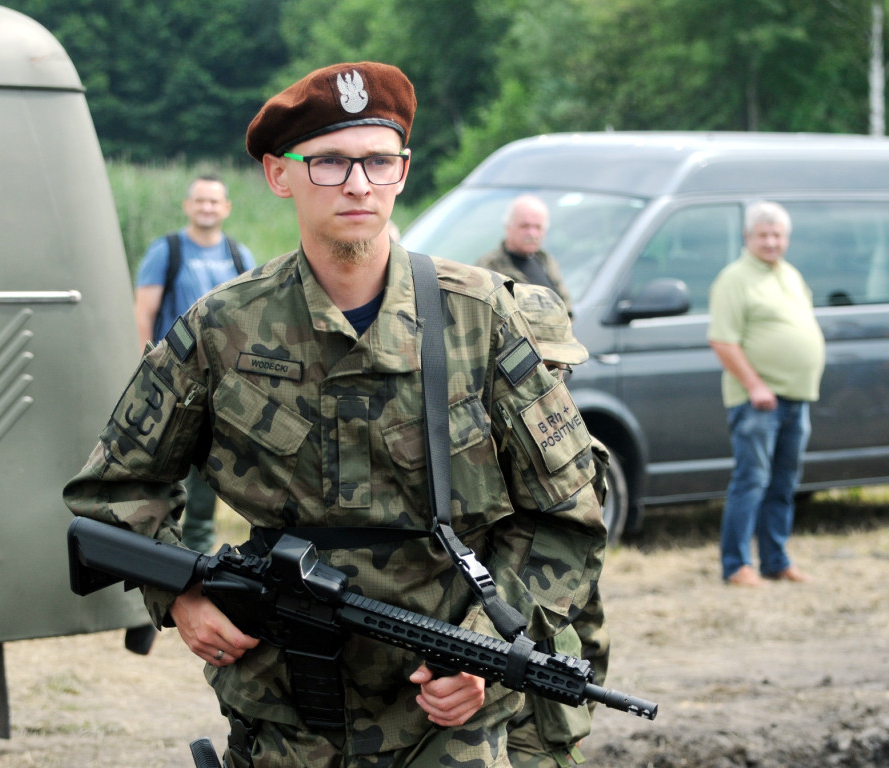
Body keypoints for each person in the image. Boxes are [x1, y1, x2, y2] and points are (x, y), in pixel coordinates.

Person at [64, 61, 606, 767]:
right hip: (288, 705)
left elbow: (566, 516)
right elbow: (110, 494)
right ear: (278, 175)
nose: (357, 184)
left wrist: (489, 645)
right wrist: (183, 595)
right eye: (328, 163)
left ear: (403, 172)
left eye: (378, 162)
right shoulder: (222, 329)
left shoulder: (480, 318)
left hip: (452, 709)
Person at [509, 284, 611, 768]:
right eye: (537, 372)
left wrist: (585, 685)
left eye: (559, 372)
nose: (551, 387)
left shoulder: (576, 454)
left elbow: (582, 594)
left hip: (538, 684)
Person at [132, 174, 255, 555]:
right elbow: (143, 313)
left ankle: (197, 547)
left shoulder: (239, 255)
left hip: (224, 382)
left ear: (226, 208)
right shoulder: (166, 251)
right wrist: (145, 371)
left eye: (214, 202)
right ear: (188, 206)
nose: (206, 208)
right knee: (163, 460)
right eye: (200, 201)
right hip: (173, 377)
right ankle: (151, 547)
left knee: (209, 464)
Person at [707, 201, 825, 588]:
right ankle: (737, 565)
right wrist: (756, 385)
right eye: (764, 234)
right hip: (758, 401)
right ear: (748, 237)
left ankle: (776, 561)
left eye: (778, 235)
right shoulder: (734, 279)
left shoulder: (790, 275)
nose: (771, 242)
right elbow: (722, 340)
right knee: (752, 480)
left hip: (796, 398)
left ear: (786, 238)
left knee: (783, 483)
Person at [477, 195, 572, 315]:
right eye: (524, 226)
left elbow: (566, 308)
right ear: (508, 227)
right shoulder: (490, 267)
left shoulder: (545, 261)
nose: (532, 233)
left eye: (538, 227)